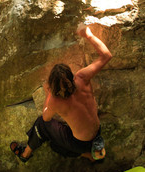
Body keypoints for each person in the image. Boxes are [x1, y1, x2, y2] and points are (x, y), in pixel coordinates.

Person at [10, 23, 112, 162]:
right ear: (71, 75)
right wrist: (88, 34)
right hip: (97, 132)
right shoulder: (82, 77)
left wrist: (48, 94)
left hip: (80, 143)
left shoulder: (55, 100)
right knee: (57, 142)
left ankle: (25, 155)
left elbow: (46, 118)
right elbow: (106, 55)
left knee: (43, 127)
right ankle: (94, 154)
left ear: (52, 85)